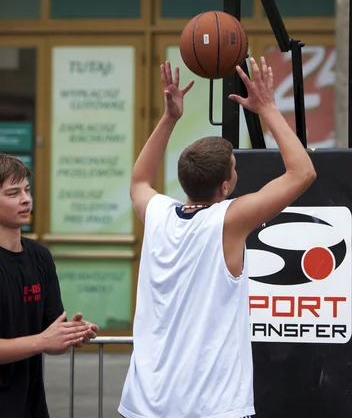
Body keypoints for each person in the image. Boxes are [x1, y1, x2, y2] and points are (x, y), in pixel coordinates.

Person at [119, 57, 316, 418]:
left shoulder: (158, 213)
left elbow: (139, 181)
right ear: (225, 186)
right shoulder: (229, 220)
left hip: (145, 403)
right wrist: (267, 108)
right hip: (211, 406)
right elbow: (302, 172)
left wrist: (170, 117)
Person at [0, 153, 100, 418]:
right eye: (13, 193)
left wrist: (71, 333)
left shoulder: (40, 256)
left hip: (31, 407)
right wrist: (42, 341)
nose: (25, 199)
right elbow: (42, 340)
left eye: (27, 190)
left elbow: (49, 334)